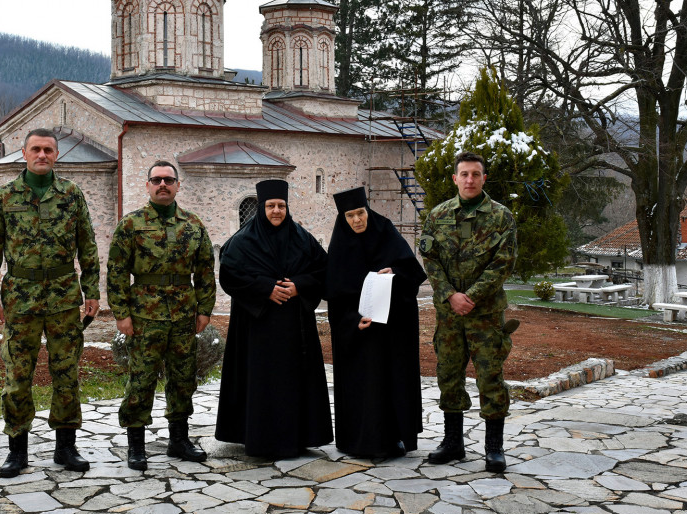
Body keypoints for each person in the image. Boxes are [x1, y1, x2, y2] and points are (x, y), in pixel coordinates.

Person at [0, 127, 100, 478]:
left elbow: (88, 247)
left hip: (63, 298)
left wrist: (92, 291)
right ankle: (17, 449)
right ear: (24, 152)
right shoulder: (4, 197)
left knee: (66, 374)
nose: (42, 155)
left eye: (48, 150)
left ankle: (66, 447)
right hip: (20, 300)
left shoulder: (72, 195)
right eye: (36, 149)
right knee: (18, 374)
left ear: (56, 155)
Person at [107, 161, 216, 471]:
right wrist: (121, 314)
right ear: (148, 185)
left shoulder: (193, 225)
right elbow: (116, 272)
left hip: (183, 315)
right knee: (141, 380)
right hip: (144, 316)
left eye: (169, 179)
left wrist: (205, 310)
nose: (163, 184)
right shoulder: (132, 224)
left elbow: (206, 270)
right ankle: (136, 445)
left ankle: (179, 440)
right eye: (156, 179)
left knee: (183, 379)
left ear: (178, 185)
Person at [215, 179, 333, 458]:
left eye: (281, 206)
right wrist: (265, 289)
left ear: (287, 207)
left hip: (295, 329)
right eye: (270, 206)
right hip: (257, 329)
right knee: (261, 383)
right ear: (261, 208)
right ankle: (259, 440)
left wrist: (298, 286)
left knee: (293, 384)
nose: (276, 211)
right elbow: (229, 275)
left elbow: (323, 270)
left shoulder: (302, 239)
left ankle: (297, 438)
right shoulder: (242, 241)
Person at [418, 151, 517, 473]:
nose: (470, 180)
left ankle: (494, 448)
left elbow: (503, 264)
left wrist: (470, 297)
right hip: (449, 315)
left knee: (490, 377)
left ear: (484, 178)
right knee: (449, 376)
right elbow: (430, 260)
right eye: (464, 174)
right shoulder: (437, 215)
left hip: (485, 315)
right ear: (455, 179)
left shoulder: (501, 217)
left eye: (476, 174)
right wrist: (450, 296)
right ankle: (453, 442)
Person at [326, 187, 427, 458]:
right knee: (364, 387)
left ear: (367, 211)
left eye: (361, 213)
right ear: (343, 218)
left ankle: (394, 438)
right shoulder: (340, 246)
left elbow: (414, 273)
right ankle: (360, 441)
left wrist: (394, 273)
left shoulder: (386, 232)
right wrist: (352, 321)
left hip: (394, 330)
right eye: (350, 216)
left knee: (391, 383)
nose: (357, 220)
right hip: (360, 332)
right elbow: (335, 297)